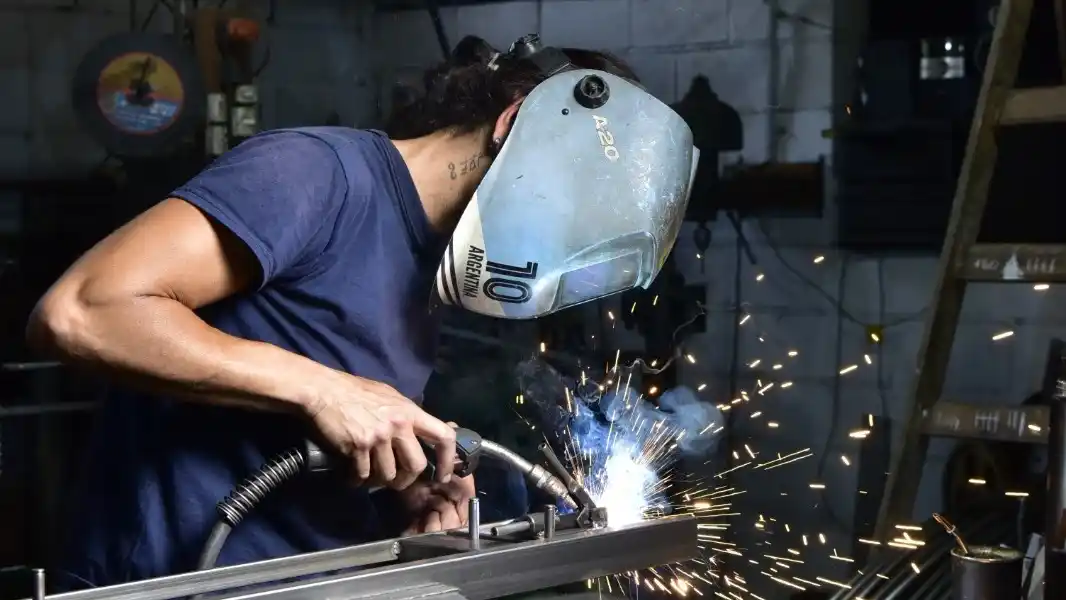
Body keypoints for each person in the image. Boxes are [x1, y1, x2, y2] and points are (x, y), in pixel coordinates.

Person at [26, 35, 645, 589]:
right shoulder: (314, 173)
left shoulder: (440, 260)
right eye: (568, 204)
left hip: (315, 579)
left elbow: (327, 404)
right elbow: (83, 311)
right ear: (512, 124)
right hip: (182, 579)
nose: (560, 234)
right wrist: (326, 393)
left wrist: (407, 484)